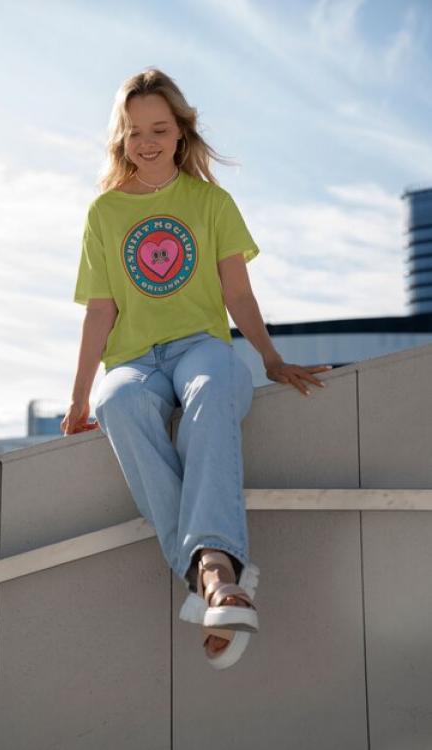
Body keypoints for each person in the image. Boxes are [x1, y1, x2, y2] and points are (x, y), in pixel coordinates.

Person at [61, 67, 331, 669]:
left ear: (181, 133)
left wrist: (270, 358)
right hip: (134, 359)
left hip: (200, 346)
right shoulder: (103, 213)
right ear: (121, 139)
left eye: (159, 128)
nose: (147, 141)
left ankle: (208, 568)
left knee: (213, 386)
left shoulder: (211, 202)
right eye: (135, 132)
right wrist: (80, 396)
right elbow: (99, 310)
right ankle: (218, 578)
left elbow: (238, 295)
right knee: (117, 403)